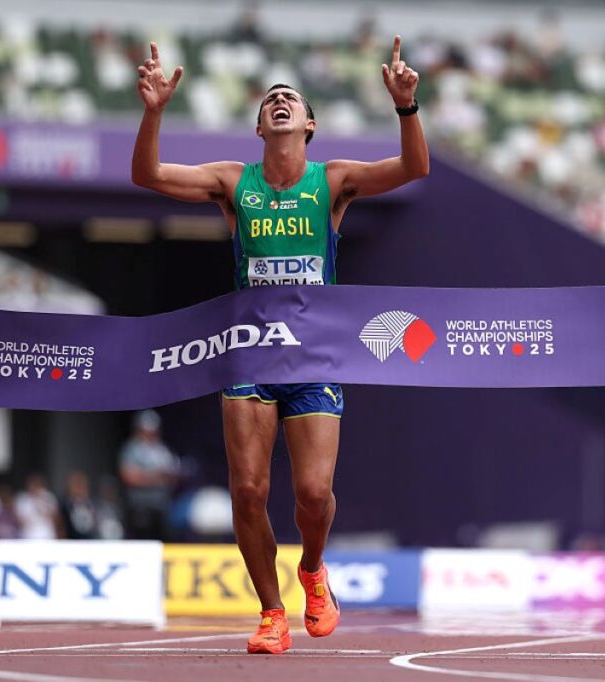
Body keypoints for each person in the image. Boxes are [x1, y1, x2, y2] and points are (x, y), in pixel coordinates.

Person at [131, 36, 428, 654]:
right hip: (251, 355)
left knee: (313, 495)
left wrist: (406, 109)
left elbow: (413, 169)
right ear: (260, 127)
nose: (281, 102)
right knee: (248, 490)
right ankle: (271, 612)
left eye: (291, 99)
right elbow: (148, 175)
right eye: (271, 101)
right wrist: (155, 110)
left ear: (309, 125)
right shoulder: (233, 183)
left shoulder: (333, 181)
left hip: (315, 355)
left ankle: (313, 571)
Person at [118, 409, 181, 540]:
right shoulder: (132, 449)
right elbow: (128, 477)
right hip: (140, 506)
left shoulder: (163, 450)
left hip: (161, 507)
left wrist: (151, 476)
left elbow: (173, 474)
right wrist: (156, 477)